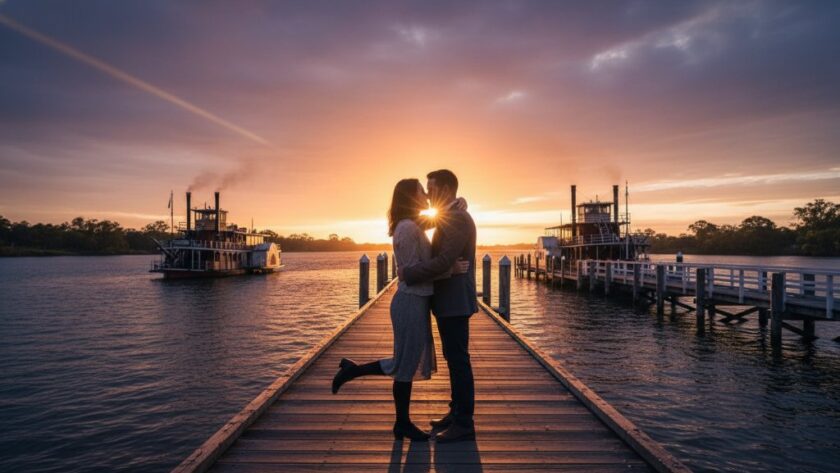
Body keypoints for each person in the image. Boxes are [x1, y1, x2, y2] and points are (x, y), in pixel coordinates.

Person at [331, 178, 469, 441]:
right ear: (410, 197)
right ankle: (400, 421)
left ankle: (360, 378)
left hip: (417, 302)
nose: (427, 195)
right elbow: (413, 273)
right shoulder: (407, 229)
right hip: (409, 302)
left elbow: (438, 221)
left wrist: (458, 205)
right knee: (403, 365)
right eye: (421, 191)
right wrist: (448, 270)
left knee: (403, 363)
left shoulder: (413, 224)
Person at [399, 169, 477, 443]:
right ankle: (455, 413)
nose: (429, 195)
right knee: (454, 359)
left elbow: (444, 261)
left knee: (458, 361)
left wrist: (408, 273)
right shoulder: (450, 214)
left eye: (431, 190)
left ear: (444, 189)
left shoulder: (456, 218)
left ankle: (464, 423)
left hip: (455, 301)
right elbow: (419, 223)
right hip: (448, 301)